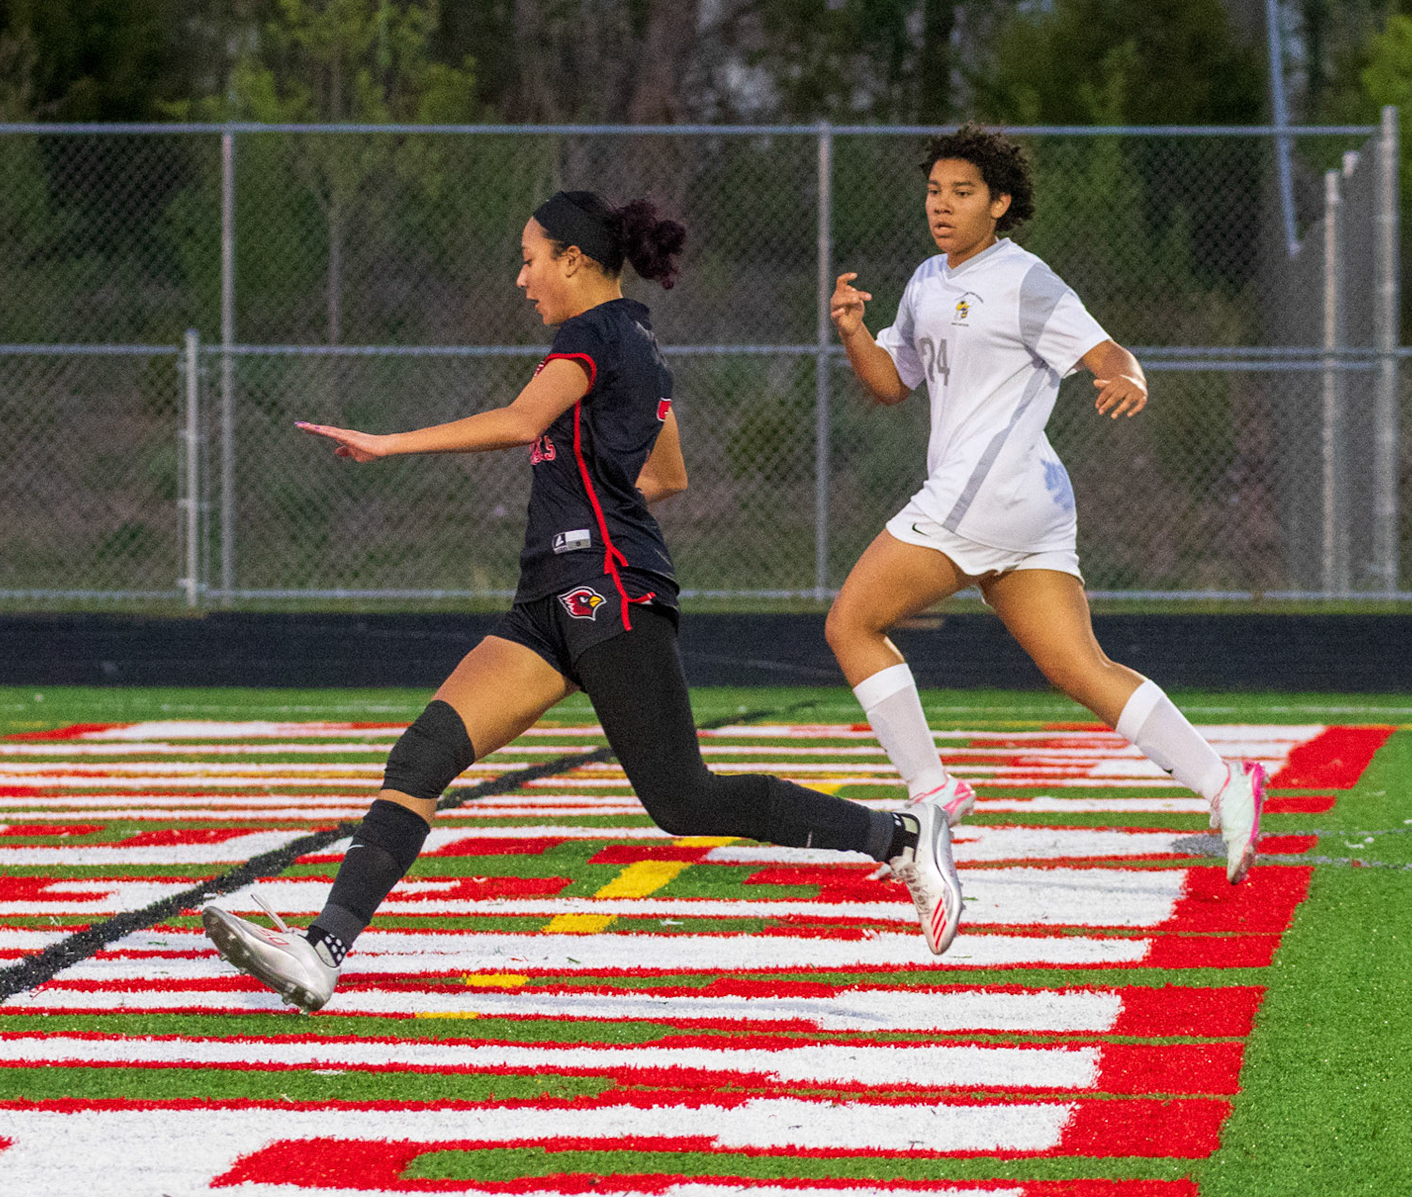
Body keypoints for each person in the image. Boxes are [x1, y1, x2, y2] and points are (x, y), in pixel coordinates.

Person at [202, 191, 962, 1014]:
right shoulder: (637, 339)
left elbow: (523, 420)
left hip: (606, 589)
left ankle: (900, 836)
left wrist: (387, 443)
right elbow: (668, 476)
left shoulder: (594, 334)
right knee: (422, 758)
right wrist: (591, 504)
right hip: (550, 598)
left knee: (682, 798)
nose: (521, 277)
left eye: (530, 259)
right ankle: (323, 951)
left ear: (573, 260)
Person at [824, 124, 1264, 882]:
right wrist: (854, 332)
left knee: (850, 624)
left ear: (999, 204)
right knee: (1080, 667)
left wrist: (1129, 377)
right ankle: (1225, 784)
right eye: (934, 191)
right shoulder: (926, 280)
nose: (942, 205)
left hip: (985, 494)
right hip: (1027, 503)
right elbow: (891, 385)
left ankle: (931, 793)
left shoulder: (1025, 278)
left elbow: (1106, 352)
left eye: (962, 193)